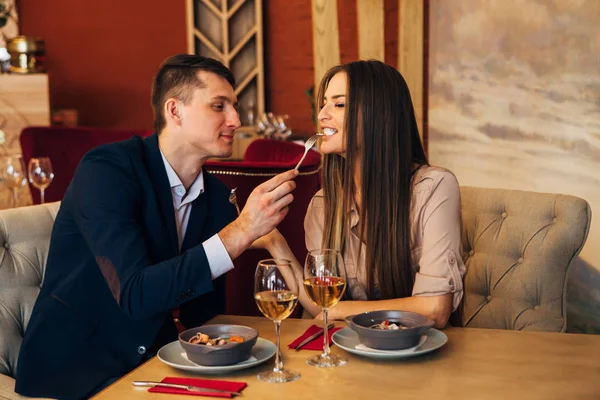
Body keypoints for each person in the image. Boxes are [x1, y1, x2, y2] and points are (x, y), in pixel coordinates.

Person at [15, 54, 298, 399]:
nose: (236, 120)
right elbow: (134, 295)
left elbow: (201, 316)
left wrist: (273, 241)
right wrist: (241, 232)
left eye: (234, 107)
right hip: (77, 374)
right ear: (174, 111)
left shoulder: (215, 197)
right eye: (219, 106)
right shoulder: (106, 171)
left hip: (159, 370)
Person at [262, 60, 465, 328]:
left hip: (419, 353)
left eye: (339, 104)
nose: (321, 114)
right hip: (352, 353)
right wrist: (274, 241)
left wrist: (342, 309)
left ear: (379, 115)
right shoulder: (323, 206)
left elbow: (435, 309)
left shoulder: (435, 188)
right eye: (323, 103)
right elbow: (320, 307)